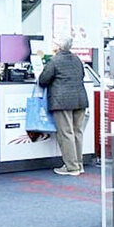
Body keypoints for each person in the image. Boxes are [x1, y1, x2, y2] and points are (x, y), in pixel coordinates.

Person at [38, 37, 89, 175]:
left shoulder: (54, 61)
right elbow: (82, 75)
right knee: (77, 132)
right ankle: (79, 164)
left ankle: (71, 167)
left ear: (58, 46)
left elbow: (43, 80)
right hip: (80, 99)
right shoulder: (77, 59)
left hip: (62, 101)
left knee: (66, 133)